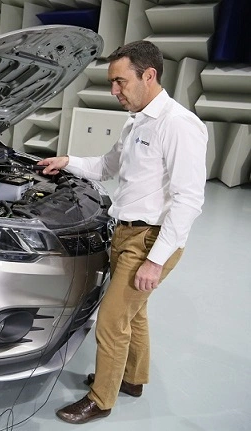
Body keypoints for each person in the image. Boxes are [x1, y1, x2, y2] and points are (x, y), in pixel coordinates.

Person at [38, 40, 207, 424]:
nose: (114, 91)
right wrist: (67, 161)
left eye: (120, 82)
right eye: (111, 83)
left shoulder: (179, 126)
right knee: (136, 314)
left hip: (150, 239)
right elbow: (107, 166)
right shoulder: (137, 120)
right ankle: (131, 379)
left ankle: (101, 399)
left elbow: (188, 201)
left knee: (113, 320)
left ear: (149, 75)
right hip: (126, 234)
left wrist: (155, 260)